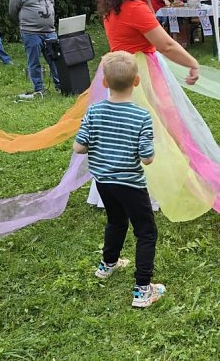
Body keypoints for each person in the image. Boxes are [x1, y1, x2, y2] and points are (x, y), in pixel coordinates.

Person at [92, 0, 199, 305]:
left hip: (117, 70)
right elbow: (166, 44)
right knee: (153, 131)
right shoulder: (135, 7)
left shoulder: (111, 7)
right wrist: (192, 63)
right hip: (137, 74)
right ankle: (149, 190)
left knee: (119, 133)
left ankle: (115, 197)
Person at [73, 51, 161, 307]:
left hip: (104, 182)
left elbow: (79, 148)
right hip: (131, 185)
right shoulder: (142, 117)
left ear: (104, 83)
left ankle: (107, 264)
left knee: (116, 220)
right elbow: (147, 159)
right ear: (136, 81)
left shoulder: (94, 112)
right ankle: (142, 290)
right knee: (146, 232)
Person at [8, 0, 61, 99]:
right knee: (34, 61)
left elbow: (52, 5)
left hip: (50, 30)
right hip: (30, 32)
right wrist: (26, 23)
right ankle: (39, 88)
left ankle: (61, 85)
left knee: (56, 59)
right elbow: (13, 11)